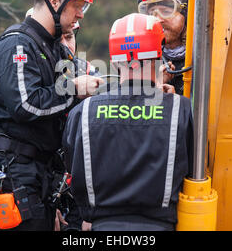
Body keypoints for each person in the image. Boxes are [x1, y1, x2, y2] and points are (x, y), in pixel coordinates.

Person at [0, 0, 103, 231]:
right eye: (79, 6)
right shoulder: (17, 44)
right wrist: (75, 89)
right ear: (55, 1)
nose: (81, 14)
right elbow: (25, 104)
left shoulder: (54, 49)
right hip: (16, 173)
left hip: (42, 176)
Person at [62, 13, 194, 231]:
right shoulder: (181, 109)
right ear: (158, 55)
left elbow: (72, 169)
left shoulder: (82, 112)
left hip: (101, 226)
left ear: (114, 62)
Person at [138, 0, 190, 95]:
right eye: (152, 13)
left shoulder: (206, 57)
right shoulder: (140, 59)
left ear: (187, 14)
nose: (158, 19)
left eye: (166, 11)